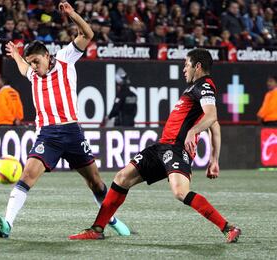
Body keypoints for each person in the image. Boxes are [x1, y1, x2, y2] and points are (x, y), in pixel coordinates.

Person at [69, 48, 242, 243]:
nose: (184, 69)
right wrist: (214, 160)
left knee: (180, 192)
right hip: (162, 147)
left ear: (198, 66)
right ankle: (97, 228)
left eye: (186, 65)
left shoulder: (205, 86)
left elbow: (213, 117)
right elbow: (214, 125)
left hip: (176, 149)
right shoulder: (194, 90)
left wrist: (195, 136)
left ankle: (228, 227)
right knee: (122, 178)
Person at [0, 1, 130, 238]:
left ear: (47, 55)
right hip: (48, 135)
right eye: (31, 63)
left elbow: (88, 34)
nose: (34, 67)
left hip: (73, 132)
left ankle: (112, 219)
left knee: (96, 183)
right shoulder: (33, 73)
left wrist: (72, 14)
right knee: (27, 176)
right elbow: (23, 66)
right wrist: (16, 54)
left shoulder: (66, 59)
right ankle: (7, 224)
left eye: (37, 61)